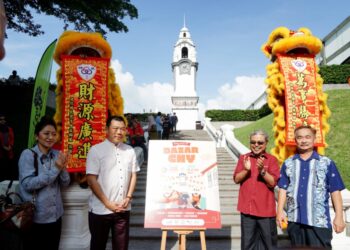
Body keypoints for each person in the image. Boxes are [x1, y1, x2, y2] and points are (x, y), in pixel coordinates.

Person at [277, 125, 346, 248]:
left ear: (314, 139)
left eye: (307, 137)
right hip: (294, 220)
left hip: (319, 222)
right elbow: (283, 188)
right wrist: (280, 211)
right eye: (300, 137)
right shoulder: (288, 163)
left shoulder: (326, 163)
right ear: (295, 140)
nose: (303, 141)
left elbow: (335, 191)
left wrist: (339, 217)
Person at [86, 115, 140, 250]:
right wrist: (108, 203)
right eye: (115, 128)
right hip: (100, 210)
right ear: (106, 129)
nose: (119, 132)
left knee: (121, 247)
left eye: (122, 129)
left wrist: (128, 197)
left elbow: (133, 175)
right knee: (98, 246)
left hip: (122, 209)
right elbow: (91, 180)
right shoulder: (96, 150)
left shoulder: (130, 151)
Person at [18, 116, 70, 250]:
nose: (50, 137)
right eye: (46, 133)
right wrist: (56, 168)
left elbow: (65, 183)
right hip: (36, 218)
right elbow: (28, 184)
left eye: (53, 134)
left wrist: (63, 167)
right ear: (37, 136)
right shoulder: (28, 155)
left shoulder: (56, 155)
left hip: (56, 216)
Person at [233, 130, 280, 250]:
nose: (256, 145)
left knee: (269, 245)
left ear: (266, 143)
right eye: (253, 142)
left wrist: (262, 171)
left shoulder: (272, 160)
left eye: (260, 142)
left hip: (266, 211)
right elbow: (236, 179)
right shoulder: (244, 158)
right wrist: (246, 170)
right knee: (247, 245)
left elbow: (272, 183)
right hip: (247, 211)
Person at [0, 113, 15, 180]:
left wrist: (10, 146)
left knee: (9, 166)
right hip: (1, 151)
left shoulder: (9, 129)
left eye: (4, 119)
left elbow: (12, 138)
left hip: (9, 151)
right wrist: (3, 146)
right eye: (1, 119)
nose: (3, 121)